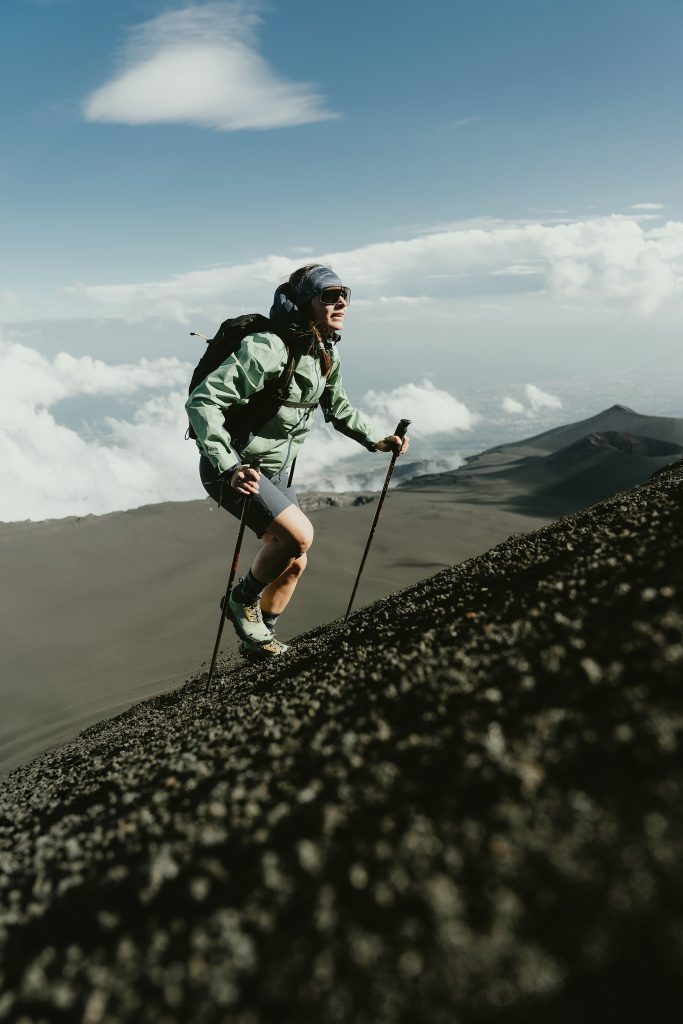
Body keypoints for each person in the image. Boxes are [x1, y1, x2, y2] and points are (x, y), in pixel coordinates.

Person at [186, 263, 410, 657]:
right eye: (328, 295)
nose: (341, 301)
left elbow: (338, 407)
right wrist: (230, 466)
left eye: (345, 294)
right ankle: (241, 602)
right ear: (305, 303)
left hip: (276, 471)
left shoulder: (324, 350)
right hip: (237, 469)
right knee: (299, 536)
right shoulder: (268, 348)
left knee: (294, 561)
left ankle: (260, 640)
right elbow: (203, 401)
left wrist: (378, 440)